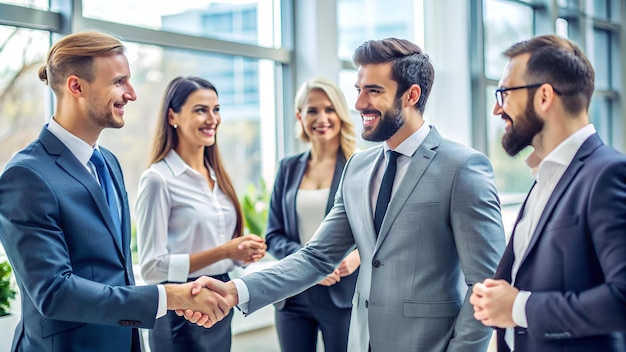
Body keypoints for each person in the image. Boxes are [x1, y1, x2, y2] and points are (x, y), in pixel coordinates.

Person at [185, 37, 506, 351]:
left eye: (374, 91)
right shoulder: (358, 168)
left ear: (411, 95)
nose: (358, 103)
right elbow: (316, 257)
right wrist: (235, 291)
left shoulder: (462, 168)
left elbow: (485, 285)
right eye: (359, 89)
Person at [0, 31, 228, 352]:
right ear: (76, 87)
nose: (131, 94)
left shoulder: (108, 162)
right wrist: (171, 296)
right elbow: (53, 292)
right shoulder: (26, 175)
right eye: (119, 82)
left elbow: (117, 271)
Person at [469, 35, 626, 352]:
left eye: (504, 93)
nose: (497, 108)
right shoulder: (545, 175)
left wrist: (519, 308)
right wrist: (497, 299)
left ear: (543, 96)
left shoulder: (608, 174)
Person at [135, 76, 267, 352]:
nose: (212, 119)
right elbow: (151, 268)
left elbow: (218, 246)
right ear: (173, 116)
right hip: (181, 308)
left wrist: (241, 253)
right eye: (200, 110)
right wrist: (224, 251)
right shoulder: (158, 179)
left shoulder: (217, 176)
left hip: (219, 299)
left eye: (216, 109)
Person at [265, 77, 360, 352]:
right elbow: (273, 235)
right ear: (299, 116)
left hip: (342, 294)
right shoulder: (288, 168)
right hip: (293, 295)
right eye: (313, 110)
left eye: (330, 109)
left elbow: (380, 230)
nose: (322, 118)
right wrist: (310, 264)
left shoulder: (359, 167)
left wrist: (354, 258)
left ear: (341, 113)